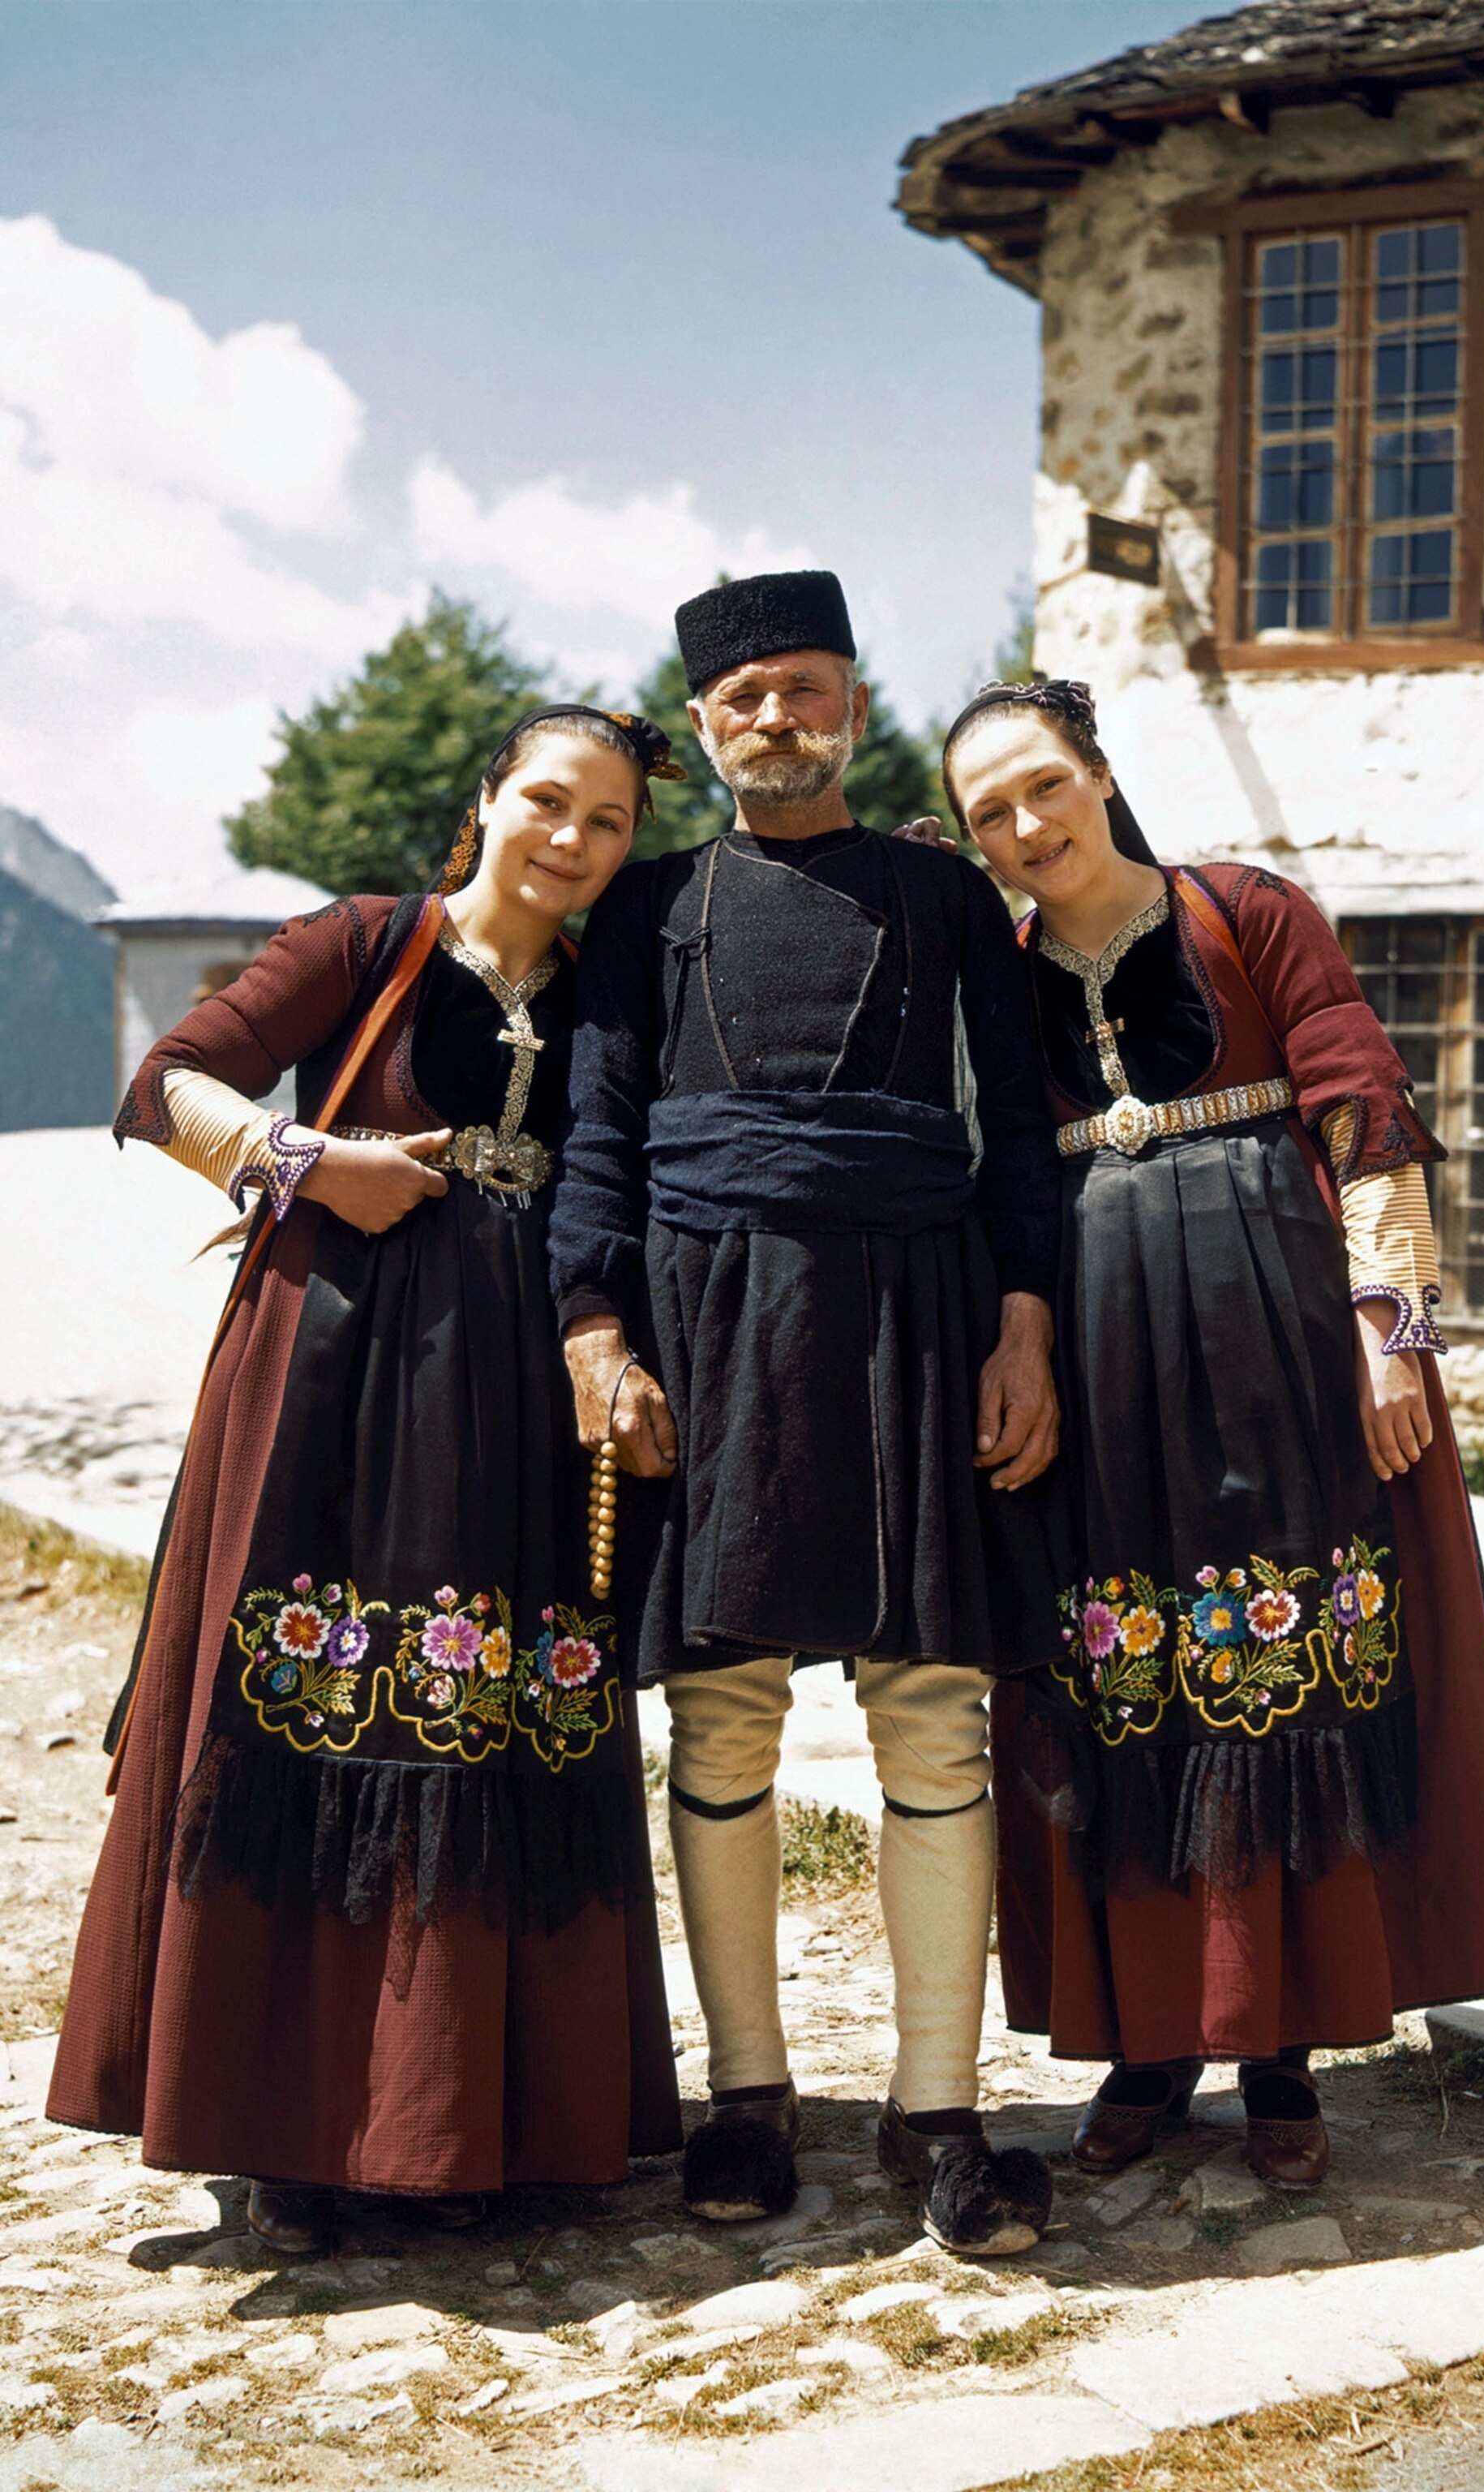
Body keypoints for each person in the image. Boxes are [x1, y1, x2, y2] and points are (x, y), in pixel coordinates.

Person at [47, 706, 684, 2254]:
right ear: (489, 797)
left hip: (525, 1381)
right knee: (307, 1712)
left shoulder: (610, 993)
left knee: (497, 1713)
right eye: (549, 803)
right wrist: (309, 1164)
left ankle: (476, 2116)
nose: (573, 842)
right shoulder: (364, 940)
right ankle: (287, 2126)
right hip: (334, 1366)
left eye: (607, 825)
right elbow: (168, 1082)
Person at [939, 677, 1484, 2190]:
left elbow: (1362, 1106)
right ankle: (1155, 2041)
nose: (1025, 826)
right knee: (1127, 1682)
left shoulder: (1248, 908)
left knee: (1283, 1668)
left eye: (1043, 787)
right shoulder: (1001, 979)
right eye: (989, 814)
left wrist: (1390, 1332)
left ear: (1096, 772)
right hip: (1098, 1365)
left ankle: (1284, 2048)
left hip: (1281, 1337)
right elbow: (1002, 1185)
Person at [549, 570, 1067, 2255]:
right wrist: (594, 1326)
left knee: (933, 1707)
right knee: (722, 1714)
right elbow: (599, 1140)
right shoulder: (648, 909)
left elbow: (1018, 1142)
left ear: (852, 700)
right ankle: (747, 2100)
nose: (779, 718)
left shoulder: (939, 898)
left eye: (807, 688)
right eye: (746, 696)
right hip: (707, 1322)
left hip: (918, 1306)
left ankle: (941, 2112)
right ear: (703, 725)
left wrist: (1022, 1325)